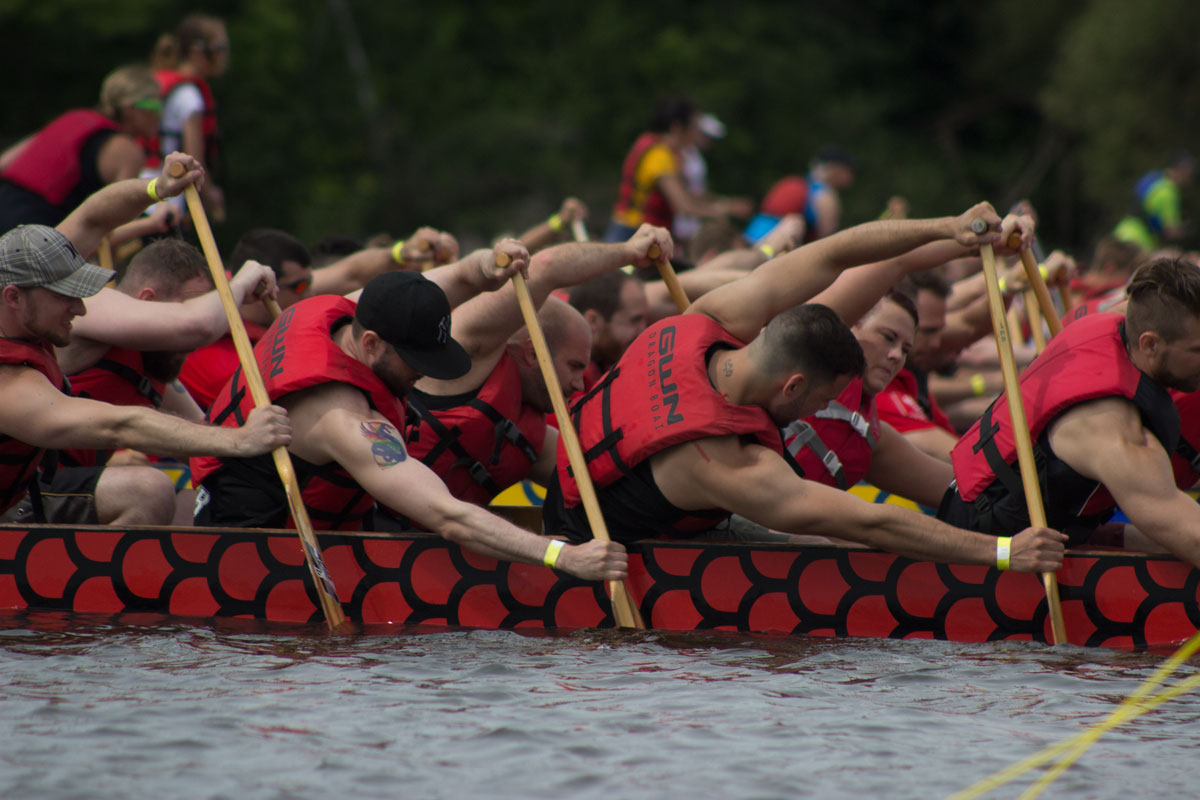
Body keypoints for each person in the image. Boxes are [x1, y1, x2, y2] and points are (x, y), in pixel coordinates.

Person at [542, 204, 1065, 574]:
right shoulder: (728, 464)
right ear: (793, 384)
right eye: (820, 401)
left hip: (589, 470)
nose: (821, 411)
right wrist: (1002, 554)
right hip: (591, 548)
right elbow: (875, 522)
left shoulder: (704, 321)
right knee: (823, 540)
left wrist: (954, 229)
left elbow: (835, 253)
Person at [190, 263, 627, 583]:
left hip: (325, 522)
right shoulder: (346, 420)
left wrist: (483, 268)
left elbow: (449, 279)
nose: (426, 374)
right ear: (372, 344)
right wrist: (562, 558)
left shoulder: (339, 312)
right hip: (255, 554)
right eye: (416, 361)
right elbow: (448, 517)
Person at [0, 154, 291, 526]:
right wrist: (240, 440)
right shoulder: (9, 382)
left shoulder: (29, 281)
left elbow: (94, 217)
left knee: (191, 506)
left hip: (34, 488)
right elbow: (121, 425)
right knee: (146, 490)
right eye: (66, 296)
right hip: (15, 509)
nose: (81, 308)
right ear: (13, 297)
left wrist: (157, 188)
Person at [941, 256, 1200, 569]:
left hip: (1051, 528)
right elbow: (1192, 536)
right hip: (991, 553)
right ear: (1150, 344)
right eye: (1197, 350)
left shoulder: (1113, 323)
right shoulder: (1115, 432)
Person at [406, 228, 672, 506]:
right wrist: (629, 251)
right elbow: (545, 267)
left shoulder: (535, 440)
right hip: (378, 528)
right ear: (533, 352)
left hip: (446, 541)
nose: (580, 384)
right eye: (574, 366)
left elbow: (612, 486)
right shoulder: (468, 351)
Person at [178, 226, 453, 410]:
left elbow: (351, 273)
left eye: (309, 282)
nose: (310, 293)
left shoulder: (275, 289)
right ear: (262, 287)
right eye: (300, 287)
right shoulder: (211, 348)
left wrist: (403, 252)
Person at [0, 65, 161, 233]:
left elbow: (4, 162)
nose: (160, 114)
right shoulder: (128, 151)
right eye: (155, 105)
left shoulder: (73, 117)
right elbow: (113, 227)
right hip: (34, 230)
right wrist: (153, 223)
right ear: (130, 109)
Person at [605, 97, 751, 244]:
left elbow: (689, 196)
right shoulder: (660, 155)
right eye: (694, 127)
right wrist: (723, 211)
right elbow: (684, 205)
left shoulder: (651, 144)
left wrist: (726, 203)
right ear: (677, 127)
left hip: (630, 229)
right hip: (634, 232)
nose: (697, 133)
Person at [147, 13, 231, 220]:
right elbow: (194, 162)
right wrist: (210, 195)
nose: (225, 55)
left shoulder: (162, 83)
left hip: (145, 191)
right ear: (196, 52)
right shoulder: (190, 97)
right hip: (167, 203)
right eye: (220, 48)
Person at [744, 146, 857, 245]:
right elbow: (826, 238)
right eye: (850, 171)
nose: (852, 177)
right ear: (836, 169)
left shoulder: (792, 183)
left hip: (751, 239)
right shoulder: (824, 194)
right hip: (775, 249)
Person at [1113, 153, 1195, 252]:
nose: (1190, 177)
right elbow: (1170, 231)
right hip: (1139, 241)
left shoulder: (1154, 178)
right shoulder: (1169, 192)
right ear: (1182, 169)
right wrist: (1186, 230)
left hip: (1122, 231)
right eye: (1189, 172)